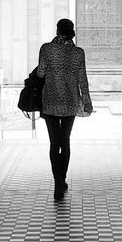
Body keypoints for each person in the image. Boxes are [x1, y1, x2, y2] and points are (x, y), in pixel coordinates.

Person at [37, 17, 93, 202]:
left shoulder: (46, 49)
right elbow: (82, 79)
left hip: (50, 101)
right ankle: (63, 178)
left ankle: (57, 181)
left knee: (54, 142)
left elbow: (40, 73)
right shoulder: (78, 53)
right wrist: (87, 101)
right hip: (70, 102)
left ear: (57, 30)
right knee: (65, 141)